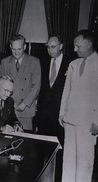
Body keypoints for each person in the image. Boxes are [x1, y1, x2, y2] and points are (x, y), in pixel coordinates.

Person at [59, 29, 98, 182]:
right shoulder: (73, 64)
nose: (75, 49)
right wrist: (62, 113)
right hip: (70, 120)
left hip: (88, 124)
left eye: (78, 46)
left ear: (89, 43)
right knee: (68, 161)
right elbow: (66, 90)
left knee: (84, 163)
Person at [0, 34, 41, 131]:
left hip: (26, 109)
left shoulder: (34, 62)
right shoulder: (4, 62)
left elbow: (36, 86)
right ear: (10, 47)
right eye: (14, 49)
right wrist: (9, 102)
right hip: (9, 109)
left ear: (25, 47)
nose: (16, 52)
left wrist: (24, 104)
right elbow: (0, 84)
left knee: (25, 139)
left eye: (19, 49)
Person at [38, 34, 70, 146]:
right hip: (43, 113)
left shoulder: (70, 63)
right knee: (41, 147)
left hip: (60, 114)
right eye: (48, 47)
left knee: (60, 147)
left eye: (53, 47)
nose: (50, 50)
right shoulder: (43, 61)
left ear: (61, 46)